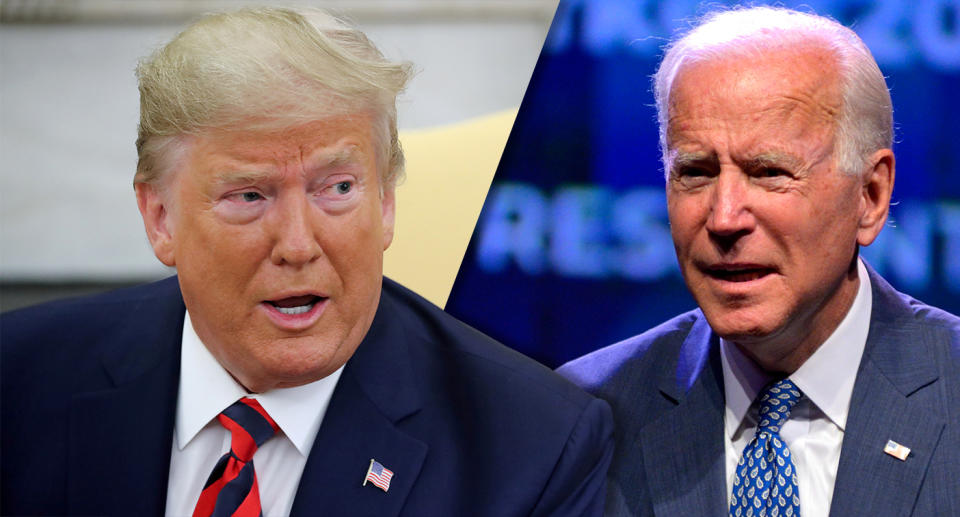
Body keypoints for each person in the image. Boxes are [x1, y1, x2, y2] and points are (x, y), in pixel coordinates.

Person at [1, 8, 613, 517]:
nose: (298, 244)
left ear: (386, 201)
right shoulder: (20, 381)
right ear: (159, 216)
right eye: (249, 195)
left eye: (338, 188)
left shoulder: (532, 447)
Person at [559, 6, 959, 517]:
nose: (724, 218)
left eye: (769, 172)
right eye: (696, 173)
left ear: (871, 195)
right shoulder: (583, 417)